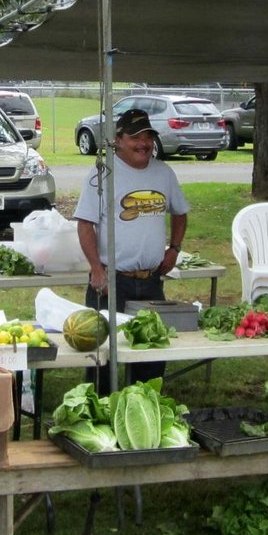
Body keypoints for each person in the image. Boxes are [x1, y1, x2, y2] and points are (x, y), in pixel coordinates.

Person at [74, 107, 189, 388]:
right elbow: (85, 224)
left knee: (151, 353)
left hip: (151, 281)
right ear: (119, 139)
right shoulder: (103, 174)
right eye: (136, 137)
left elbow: (180, 213)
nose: (144, 144)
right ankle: (102, 410)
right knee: (103, 356)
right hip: (112, 282)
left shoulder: (164, 172)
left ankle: (144, 406)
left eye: (148, 136)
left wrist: (174, 248)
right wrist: (96, 269)